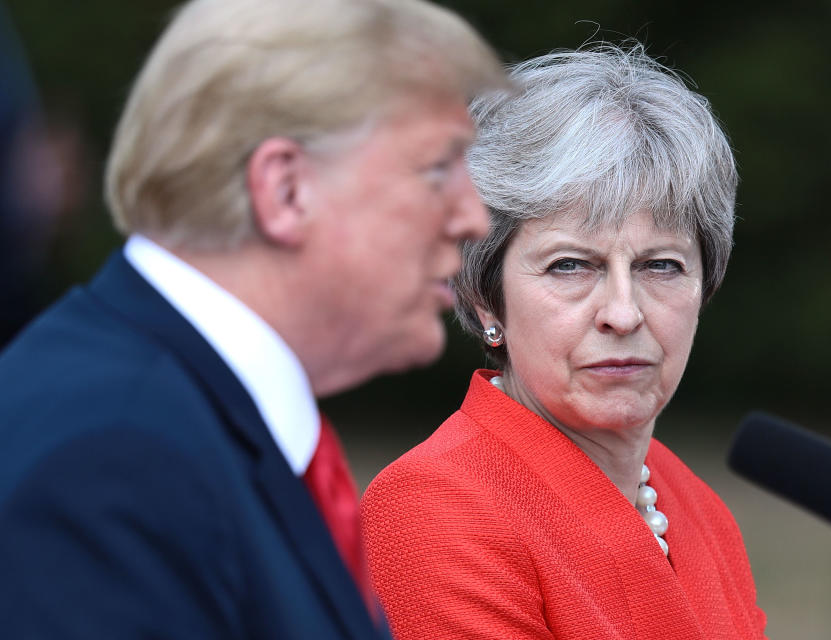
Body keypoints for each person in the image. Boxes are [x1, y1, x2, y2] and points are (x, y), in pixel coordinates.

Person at [0, 0, 507, 637]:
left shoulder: (177, 413)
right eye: (438, 168)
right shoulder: (111, 454)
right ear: (286, 190)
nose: (473, 218)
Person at [361, 44, 768, 639]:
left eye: (661, 266)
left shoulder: (698, 509)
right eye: (570, 266)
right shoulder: (437, 508)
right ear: (484, 295)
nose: (623, 313)